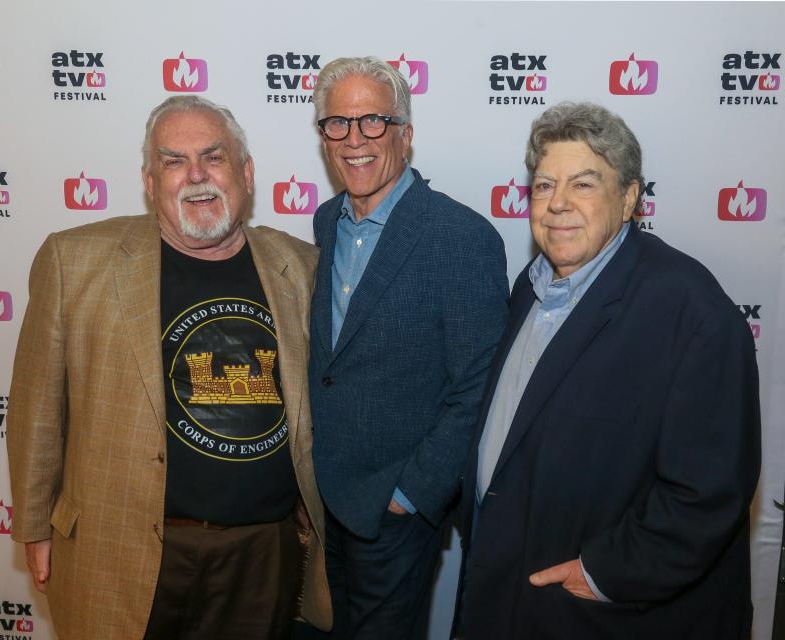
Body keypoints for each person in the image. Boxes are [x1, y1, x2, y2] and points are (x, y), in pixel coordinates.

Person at [7, 95, 332, 640]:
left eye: (214, 157)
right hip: (119, 548)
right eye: (173, 161)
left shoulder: (302, 267)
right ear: (149, 180)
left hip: (260, 554)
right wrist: (35, 525)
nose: (197, 176)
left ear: (246, 173)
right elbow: (37, 406)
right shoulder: (74, 260)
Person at [453, 101, 761, 639]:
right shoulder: (531, 286)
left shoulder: (693, 314)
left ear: (630, 198)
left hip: (600, 613)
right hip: (507, 591)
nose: (558, 205)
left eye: (584, 184)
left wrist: (603, 574)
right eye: (544, 186)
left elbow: (707, 495)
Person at [306, 56, 509, 639]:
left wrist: (411, 495)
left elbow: (477, 387)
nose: (354, 139)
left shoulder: (461, 237)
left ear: (405, 134)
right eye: (337, 124)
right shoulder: (326, 221)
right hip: (327, 501)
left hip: (394, 510)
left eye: (373, 121)